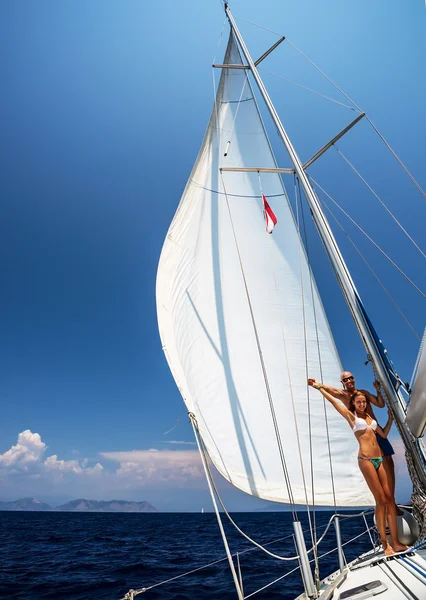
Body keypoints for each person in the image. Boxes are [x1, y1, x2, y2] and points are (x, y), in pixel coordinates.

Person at [308, 380, 409, 556]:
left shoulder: (371, 419)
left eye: (363, 401)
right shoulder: (352, 417)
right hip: (366, 460)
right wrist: (319, 388)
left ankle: (397, 542)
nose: (362, 404)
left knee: (389, 500)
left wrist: (391, 418)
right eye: (358, 402)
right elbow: (334, 401)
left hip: (379, 459)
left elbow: (383, 434)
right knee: (380, 501)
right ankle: (385, 545)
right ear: (354, 404)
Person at [308, 372, 397, 502]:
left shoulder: (363, 393)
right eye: (345, 379)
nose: (349, 380)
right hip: (366, 436)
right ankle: (384, 501)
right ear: (342, 383)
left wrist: (378, 389)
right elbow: (331, 391)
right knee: (378, 468)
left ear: (354, 379)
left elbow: (380, 403)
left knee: (390, 463)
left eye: (350, 378)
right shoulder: (343, 395)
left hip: (377, 431)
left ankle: (392, 500)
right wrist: (317, 385)